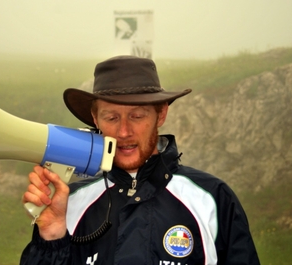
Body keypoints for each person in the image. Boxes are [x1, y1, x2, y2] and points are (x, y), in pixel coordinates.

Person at [20, 55, 260, 265]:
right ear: (95, 119)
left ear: (161, 114)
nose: (124, 131)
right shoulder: (69, 204)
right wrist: (50, 238)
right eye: (111, 117)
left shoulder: (212, 198)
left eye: (137, 115)